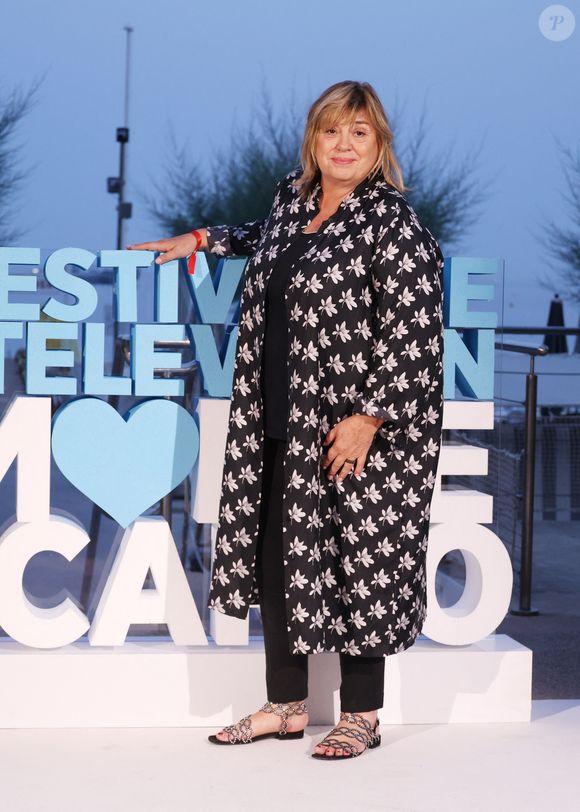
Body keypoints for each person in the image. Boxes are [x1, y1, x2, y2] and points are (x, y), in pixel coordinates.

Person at [128, 80, 445, 760]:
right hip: (280, 419)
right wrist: (199, 240)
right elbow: (259, 240)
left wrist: (369, 417)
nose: (343, 144)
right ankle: (286, 706)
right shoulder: (290, 203)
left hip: (355, 429)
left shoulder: (393, 224)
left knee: (362, 555)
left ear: (379, 146)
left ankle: (362, 714)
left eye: (359, 133)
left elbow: (416, 334)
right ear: (314, 139)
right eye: (333, 131)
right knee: (279, 562)